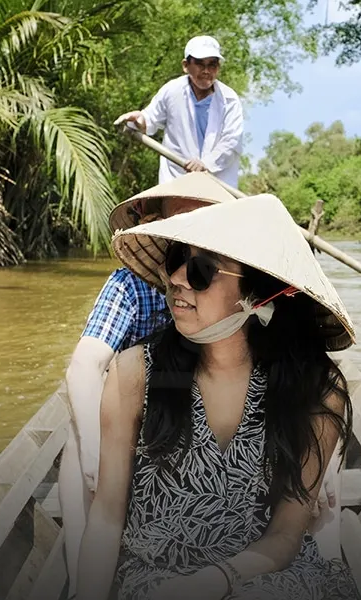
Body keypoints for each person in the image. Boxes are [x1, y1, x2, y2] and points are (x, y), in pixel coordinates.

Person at [77, 194, 361, 600]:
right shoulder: (135, 374)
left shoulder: (316, 392)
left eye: (201, 270)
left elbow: (285, 534)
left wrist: (217, 580)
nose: (175, 278)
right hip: (156, 580)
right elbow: (106, 518)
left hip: (265, 574)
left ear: (258, 295)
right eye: (175, 257)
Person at [61, 172, 239, 600]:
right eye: (180, 231)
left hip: (207, 418)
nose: (183, 276)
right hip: (146, 418)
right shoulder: (132, 286)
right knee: (76, 440)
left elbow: (301, 375)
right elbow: (84, 365)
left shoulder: (234, 286)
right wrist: (91, 450)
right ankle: (83, 574)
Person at [113, 35, 244, 188]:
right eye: (200, 64)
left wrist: (205, 164)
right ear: (185, 66)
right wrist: (139, 120)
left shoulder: (229, 100)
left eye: (212, 65)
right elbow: (149, 119)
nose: (206, 71)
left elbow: (231, 142)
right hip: (176, 181)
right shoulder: (172, 91)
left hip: (217, 185)